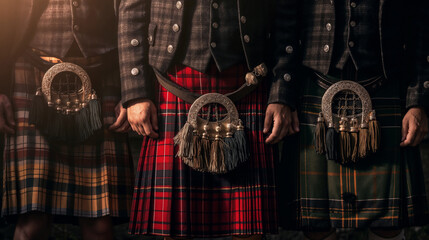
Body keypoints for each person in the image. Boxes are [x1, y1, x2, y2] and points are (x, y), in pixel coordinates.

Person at [118, 0, 297, 238]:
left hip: (247, 82)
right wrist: (136, 92)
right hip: (173, 82)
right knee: (171, 228)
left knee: (249, 228)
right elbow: (131, 15)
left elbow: (287, 18)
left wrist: (281, 95)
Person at [275, 0, 429, 239]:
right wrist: (282, 96)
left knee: (388, 223)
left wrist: (417, 100)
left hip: (385, 87)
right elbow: (284, 28)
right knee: (316, 223)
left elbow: (423, 31)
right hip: (316, 87)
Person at [0, 1, 134, 239]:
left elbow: (134, 11)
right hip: (30, 67)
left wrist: (135, 91)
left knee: (99, 225)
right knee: (32, 222)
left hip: (105, 70)